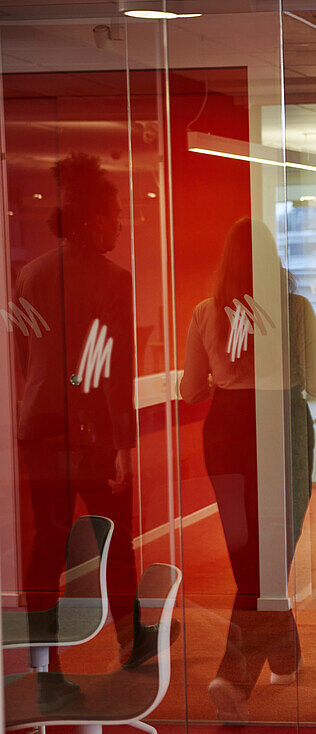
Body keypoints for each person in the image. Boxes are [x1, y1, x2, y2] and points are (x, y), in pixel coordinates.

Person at [13, 153, 153, 711]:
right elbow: (113, 369)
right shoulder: (113, 279)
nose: (120, 225)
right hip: (93, 432)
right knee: (113, 541)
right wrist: (123, 442)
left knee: (45, 548)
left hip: (38, 426)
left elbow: (29, 358)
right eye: (115, 215)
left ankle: (44, 668)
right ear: (93, 219)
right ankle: (132, 642)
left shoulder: (31, 272)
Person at [179, 218, 316, 721]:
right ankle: (233, 679)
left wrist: (228, 367)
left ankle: (286, 657)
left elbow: (191, 390)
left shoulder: (206, 312)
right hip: (282, 423)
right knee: (269, 560)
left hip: (225, 432)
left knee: (251, 556)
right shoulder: (296, 308)